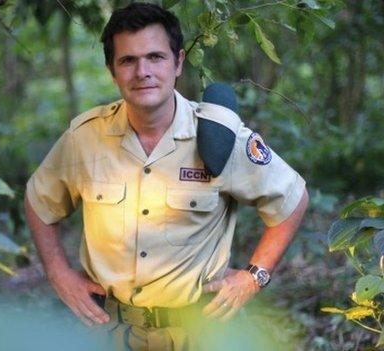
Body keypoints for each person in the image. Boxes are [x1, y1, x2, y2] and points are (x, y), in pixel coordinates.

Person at [24, 2, 309, 350]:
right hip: (108, 331)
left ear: (178, 62)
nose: (142, 71)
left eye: (155, 57)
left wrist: (253, 277)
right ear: (112, 71)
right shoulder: (85, 138)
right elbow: (39, 201)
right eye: (128, 60)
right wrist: (58, 274)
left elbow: (292, 200)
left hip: (200, 332)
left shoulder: (220, 136)